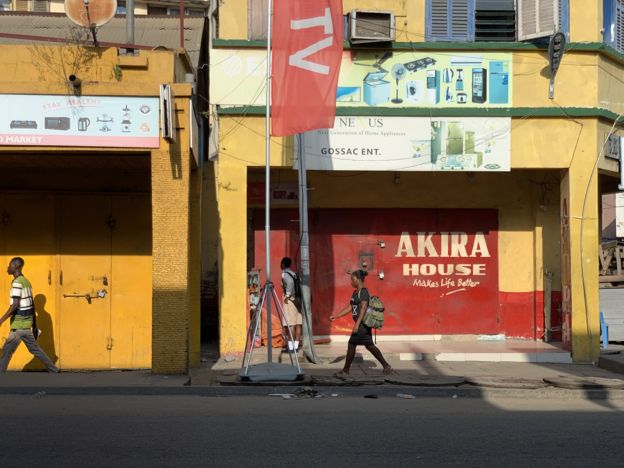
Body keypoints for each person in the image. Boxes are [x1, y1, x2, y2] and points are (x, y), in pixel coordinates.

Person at [0, 257, 59, 373]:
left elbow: (15, 304)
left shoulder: (17, 282)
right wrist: (34, 325)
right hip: (27, 324)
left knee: (7, 350)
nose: (8, 268)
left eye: (10, 265)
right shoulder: (26, 282)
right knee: (35, 349)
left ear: (16, 266)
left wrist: (1, 319)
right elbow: (32, 305)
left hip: (19, 324)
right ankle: (54, 369)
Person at [330, 269, 393, 376]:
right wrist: (337, 316)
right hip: (362, 324)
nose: (351, 282)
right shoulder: (356, 293)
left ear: (358, 280)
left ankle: (346, 370)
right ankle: (386, 366)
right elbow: (350, 307)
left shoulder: (363, 292)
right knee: (369, 345)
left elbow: (363, 308)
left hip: (362, 324)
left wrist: (357, 324)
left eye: (353, 279)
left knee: (352, 344)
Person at [280, 257, 302, 352]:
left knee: (291, 324)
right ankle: (296, 346)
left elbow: (290, 283)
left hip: (290, 301)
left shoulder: (285, 274)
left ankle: (291, 347)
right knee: (298, 323)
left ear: (283, 264)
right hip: (298, 300)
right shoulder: (293, 274)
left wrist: (288, 295)